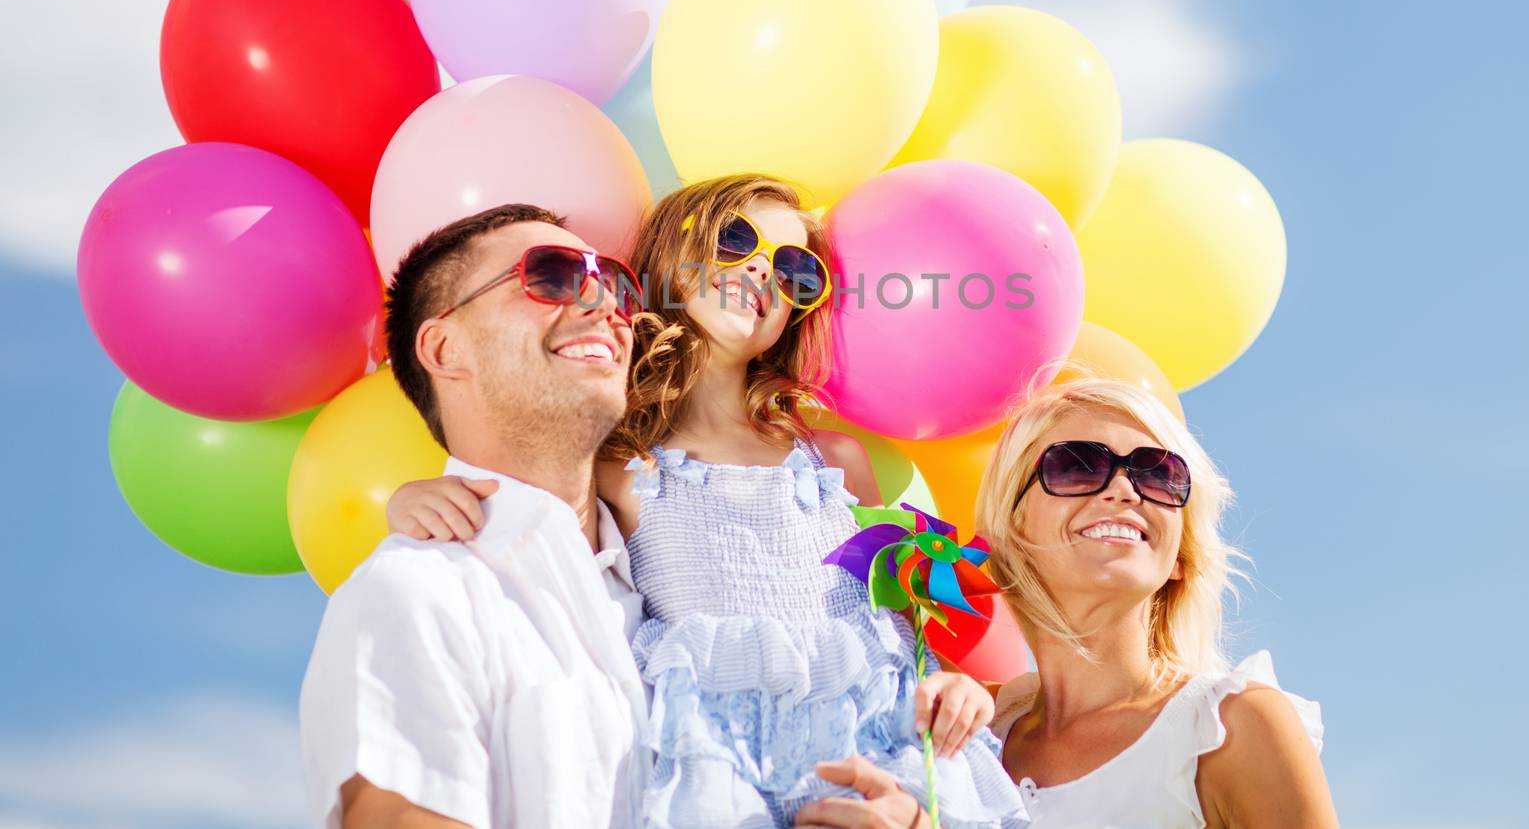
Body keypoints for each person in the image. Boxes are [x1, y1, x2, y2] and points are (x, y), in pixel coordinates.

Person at [390, 175, 1027, 828]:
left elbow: (893, 621)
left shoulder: (834, 460)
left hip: (880, 748)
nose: (761, 269)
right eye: (734, 239)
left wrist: (952, 683)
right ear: (672, 257)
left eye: (794, 270)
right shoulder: (614, 463)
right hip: (724, 768)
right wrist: (416, 496)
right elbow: (522, 539)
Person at [299, 204, 651, 828]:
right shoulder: (415, 593)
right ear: (444, 346)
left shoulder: (681, 577)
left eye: (618, 284)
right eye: (552, 275)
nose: (604, 303)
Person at [973, 377, 1339, 828]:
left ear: (1180, 557)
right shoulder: (971, 730)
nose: (1126, 490)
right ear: (1012, 531)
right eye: (1077, 465)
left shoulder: (1230, 727)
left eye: (1159, 475)